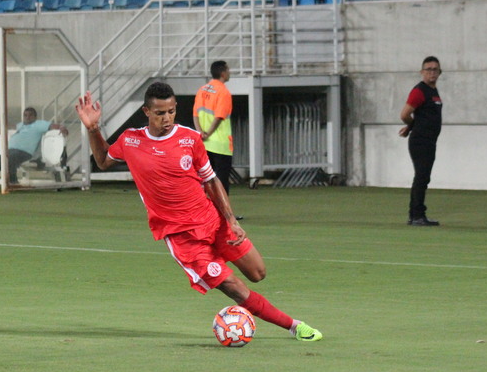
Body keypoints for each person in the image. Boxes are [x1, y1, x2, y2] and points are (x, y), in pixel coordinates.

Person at [75, 82, 322, 342]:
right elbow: (102, 160)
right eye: (160, 113)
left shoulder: (189, 139)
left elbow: (212, 181)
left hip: (212, 221)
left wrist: (231, 221)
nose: (167, 118)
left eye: (171, 111)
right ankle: (295, 326)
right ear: (146, 111)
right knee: (234, 287)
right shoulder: (131, 140)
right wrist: (93, 128)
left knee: (258, 273)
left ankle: (230, 265)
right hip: (183, 237)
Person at [0, 107, 68, 192]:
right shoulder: (22, 125)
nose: (27, 117)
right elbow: (13, 127)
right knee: (1, 163)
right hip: (12, 151)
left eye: (30, 115)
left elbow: (53, 126)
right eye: (25, 115)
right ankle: (13, 182)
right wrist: (2, 129)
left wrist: (62, 128)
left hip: (24, 152)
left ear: (34, 116)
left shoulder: (39, 124)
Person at [399, 56, 443, 226]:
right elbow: (405, 114)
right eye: (429, 69)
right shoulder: (420, 91)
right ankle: (417, 215)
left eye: (435, 69)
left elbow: (423, 116)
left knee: (424, 177)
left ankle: (415, 214)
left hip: (429, 140)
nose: (432, 72)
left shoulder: (433, 91)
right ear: (422, 72)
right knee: (422, 177)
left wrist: (411, 127)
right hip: (421, 141)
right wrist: (411, 127)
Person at [193, 60, 234, 194]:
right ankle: (224, 214)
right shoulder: (223, 92)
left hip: (204, 144)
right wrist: (209, 133)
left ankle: (206, 212)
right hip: (220, 144)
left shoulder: (202, 90)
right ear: (223, 73)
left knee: (205, 180)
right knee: (221, 180)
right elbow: (219, 116)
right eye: (228, 70)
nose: (229, 73)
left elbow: (195, 114)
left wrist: (201, 133)